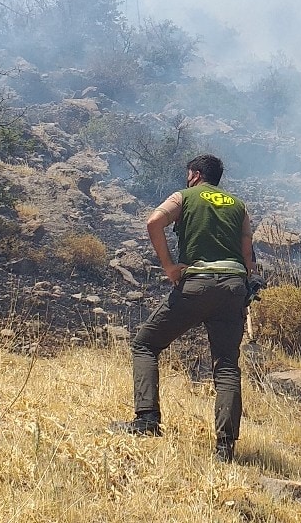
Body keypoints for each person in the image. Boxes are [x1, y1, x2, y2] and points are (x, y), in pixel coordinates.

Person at [114, 154, 258, 463]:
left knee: (145, 344)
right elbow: (248, 257)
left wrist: (169, 266)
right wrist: (245, 289)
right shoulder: (239, 206)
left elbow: (154, 221)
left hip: (197, 284)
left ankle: (147, 420)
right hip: (233, 287)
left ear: (194, 174)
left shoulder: (185, 196)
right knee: (227, 366)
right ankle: (225, 448)